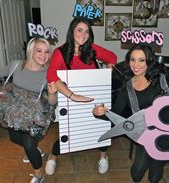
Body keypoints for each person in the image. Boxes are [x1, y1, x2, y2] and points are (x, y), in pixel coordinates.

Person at [92, 44, 169, 183]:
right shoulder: (128, 86)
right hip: (145, 135)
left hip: (168, 133)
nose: (136, 64)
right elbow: (116, 113)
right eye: (132, 59)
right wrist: (99, 113)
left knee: (155, 171)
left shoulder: (162, 79)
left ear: (149, 61)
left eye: (141, 60)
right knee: (137, 171)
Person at [45, 16, 117, 175]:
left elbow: (112, 57)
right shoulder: (60, 52)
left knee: (101, 127)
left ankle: (103, 156)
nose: (83, 35)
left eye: (87, 31)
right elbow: (51, 77)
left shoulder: (91, 49)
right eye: (79, 30)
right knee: (69, 131)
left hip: (94, 98)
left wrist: (108, 70)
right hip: (71, 100)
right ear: (72, 31)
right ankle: (53, 155)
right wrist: (73, 96)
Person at [0, 37, 57, 183]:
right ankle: (36, 151)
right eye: (39, 50)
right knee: (14, 138)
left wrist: (53, 92)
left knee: (29, 145)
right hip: (14, 113)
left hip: (36, 116)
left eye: (47, 51)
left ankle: (39, 175)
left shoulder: (49, 73)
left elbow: (52, 102)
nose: (43, 55)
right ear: (31, 51)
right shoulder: (16, 65)